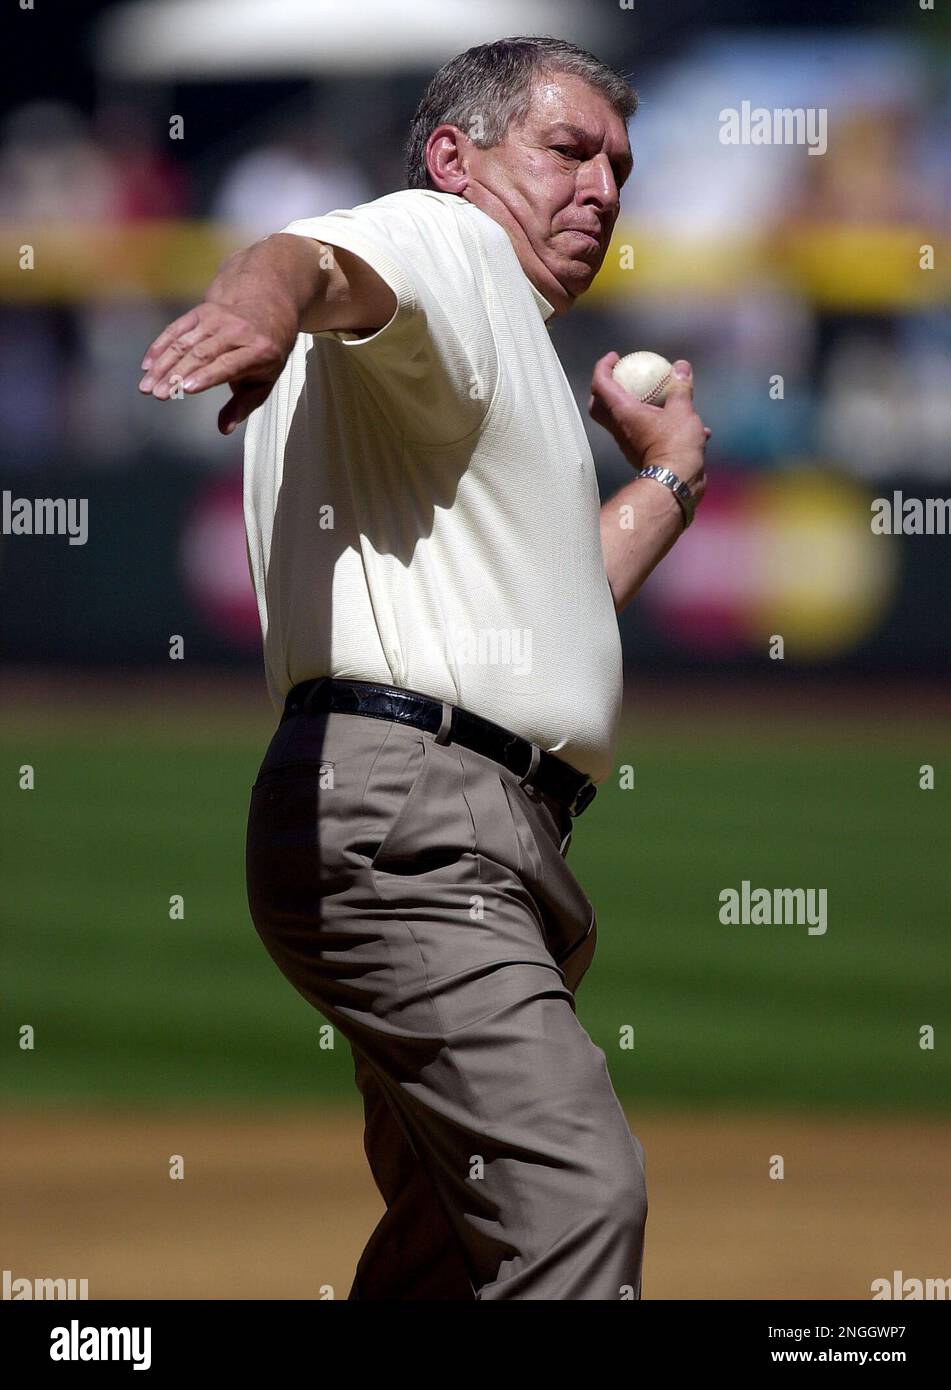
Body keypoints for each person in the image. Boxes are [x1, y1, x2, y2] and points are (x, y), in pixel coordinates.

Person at [139, 36, 709, 1301]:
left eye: (620, 165)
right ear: (456, 158)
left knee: (454, 1251)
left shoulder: (483, 342)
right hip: (419, 821)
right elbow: (310, 254)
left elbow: (552, 610)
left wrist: (665, 482)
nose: (603, 188)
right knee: (576, 1196)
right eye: (568, 150)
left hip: (451, 817)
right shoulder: (443, 244)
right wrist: (255, 303)